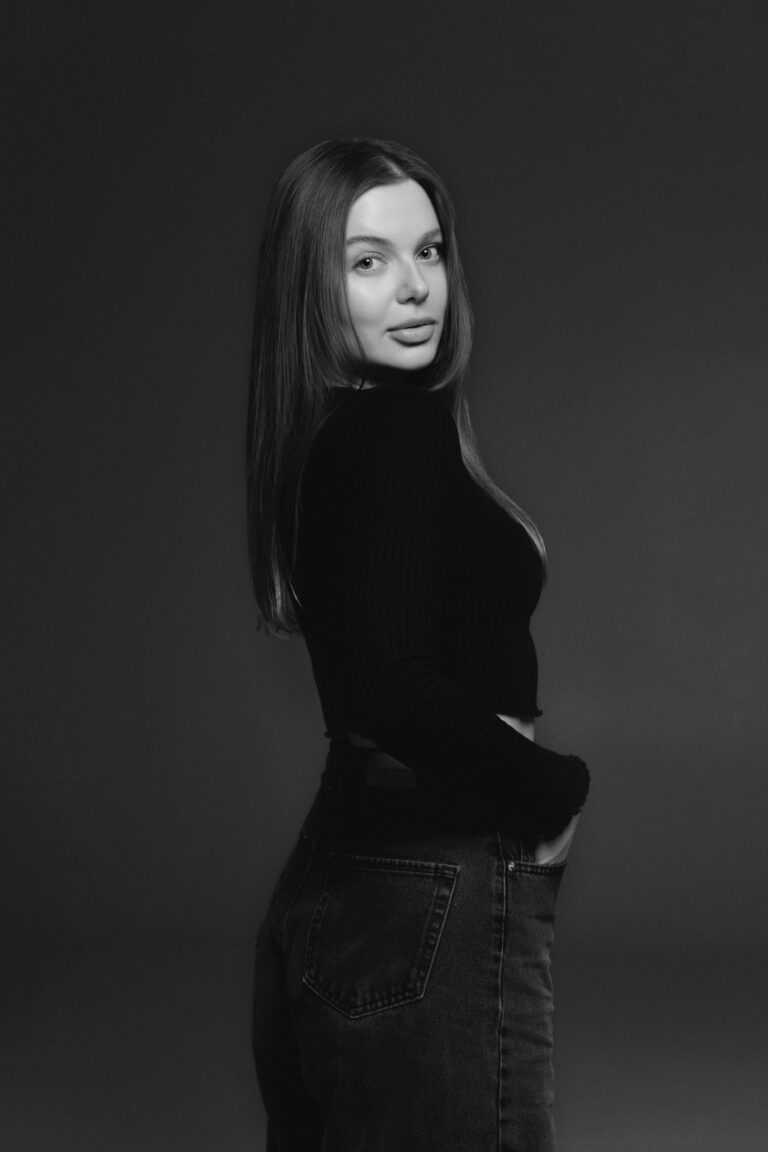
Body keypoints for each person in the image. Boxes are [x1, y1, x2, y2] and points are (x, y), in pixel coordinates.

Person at [247, 137, 590, 1152]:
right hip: (430, 882)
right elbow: (393, 688)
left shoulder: (331, 436)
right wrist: (555, 787)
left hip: (342, 875)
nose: (415, 288)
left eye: (429, 251)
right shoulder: (396, 429)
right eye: (369, 261)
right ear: (311, 289)